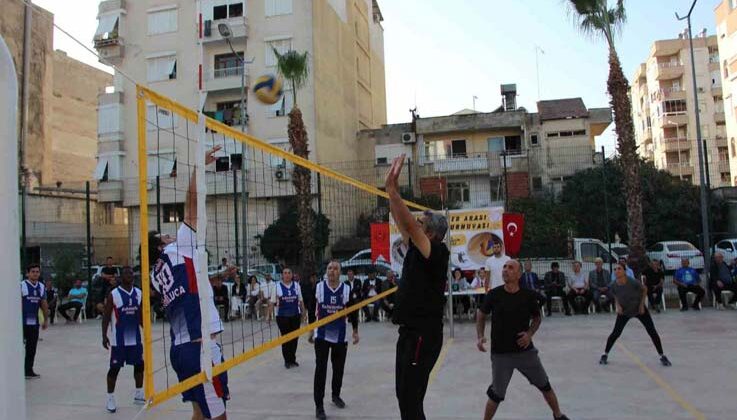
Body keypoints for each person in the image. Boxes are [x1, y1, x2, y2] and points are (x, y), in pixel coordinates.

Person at [149, 145, 230, 420]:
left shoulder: (156, 273)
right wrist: (199, 167)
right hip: (201, 349)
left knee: (199, 413)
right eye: (165, 235)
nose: (172, 234)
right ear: (162, 245)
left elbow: (193, 286)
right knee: (218, 417)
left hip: (180, 350)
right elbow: (192, 204)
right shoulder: (180, 248)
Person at [386, 154, 450, 420]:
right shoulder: (417, 245)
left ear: (431, 233)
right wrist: (392, 192)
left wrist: (393, 190)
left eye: (422, 224)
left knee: (411, 401)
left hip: (424, 335)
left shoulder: (435, 250)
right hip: (409, 333)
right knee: (404, 397)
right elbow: (404, 223)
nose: (416, 225)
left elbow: (410, 227)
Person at [476, 259, 570, 420]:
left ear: (519, 274)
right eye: (504, 267)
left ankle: (558, 415)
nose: (505, 270)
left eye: (510, 268)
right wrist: (480, 336)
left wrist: (529, 334)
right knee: (496, 394)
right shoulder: (494, 294)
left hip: (526, 353)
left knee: (545, 385)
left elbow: (537, 318)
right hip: (501, 355)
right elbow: (481, 314)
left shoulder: (527, 296)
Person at [312, 260, 360, 420]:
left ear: (340, 272)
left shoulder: (346, 289)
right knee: (321, 370)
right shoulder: (319, 287)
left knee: (338, 369)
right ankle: (319, 406)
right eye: (329, 268)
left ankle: (336, 395)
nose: (332, 271)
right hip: (322, 335)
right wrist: (311, 330)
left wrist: (355, 331)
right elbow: (314, 310)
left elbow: (353, 311)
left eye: (335, 268)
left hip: (340, 335)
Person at [599, 263, 671, 367]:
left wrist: (642, 305)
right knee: (616, 333)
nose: (616, 271)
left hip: (638, 309)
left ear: (624, 271)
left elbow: (645, 289)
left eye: (619, 269)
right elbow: (614, 294)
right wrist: (618, 306)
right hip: (625, 311)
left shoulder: (632, 282)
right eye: (615, 269)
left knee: (652, 331)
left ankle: (662, 355)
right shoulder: (614, 284)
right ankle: (604, 354)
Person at [102, 266, 144, 412]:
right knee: (114, 369)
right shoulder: (114, 294)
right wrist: (104, 335)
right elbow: (106, 316)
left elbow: (141, 316)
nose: (129, 275)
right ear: (121, 277)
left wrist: (147, 331)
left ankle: (139, 393)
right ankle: (110, 398)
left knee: (139, 366)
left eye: (131, 273)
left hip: (135, 339)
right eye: (126, 273)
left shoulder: (139, 293)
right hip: (118, 340)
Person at [268, 267, 307, 369]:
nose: (287, 275)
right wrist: (268, 316)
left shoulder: (297, 285)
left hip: (295, 315)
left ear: (292, 275)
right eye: (285, 273)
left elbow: (301, 300)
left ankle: (292, 359)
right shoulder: (277, 286)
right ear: (282, 275)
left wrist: (303, 312)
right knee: (286, 338)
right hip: (282, 316)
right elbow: (272, 302)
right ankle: (287, 360)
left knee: (294, 338)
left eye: (289, 273)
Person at [21, 264, 49, 379]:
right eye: (33, 271)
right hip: (21, 322)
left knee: (31, 347)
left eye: (37, 271)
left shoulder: (41, 287)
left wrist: (46, 319)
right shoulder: (21, 285)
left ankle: (28, 370)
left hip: (33, 321)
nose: (35, 273)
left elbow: (43, 303)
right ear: (27, 273)